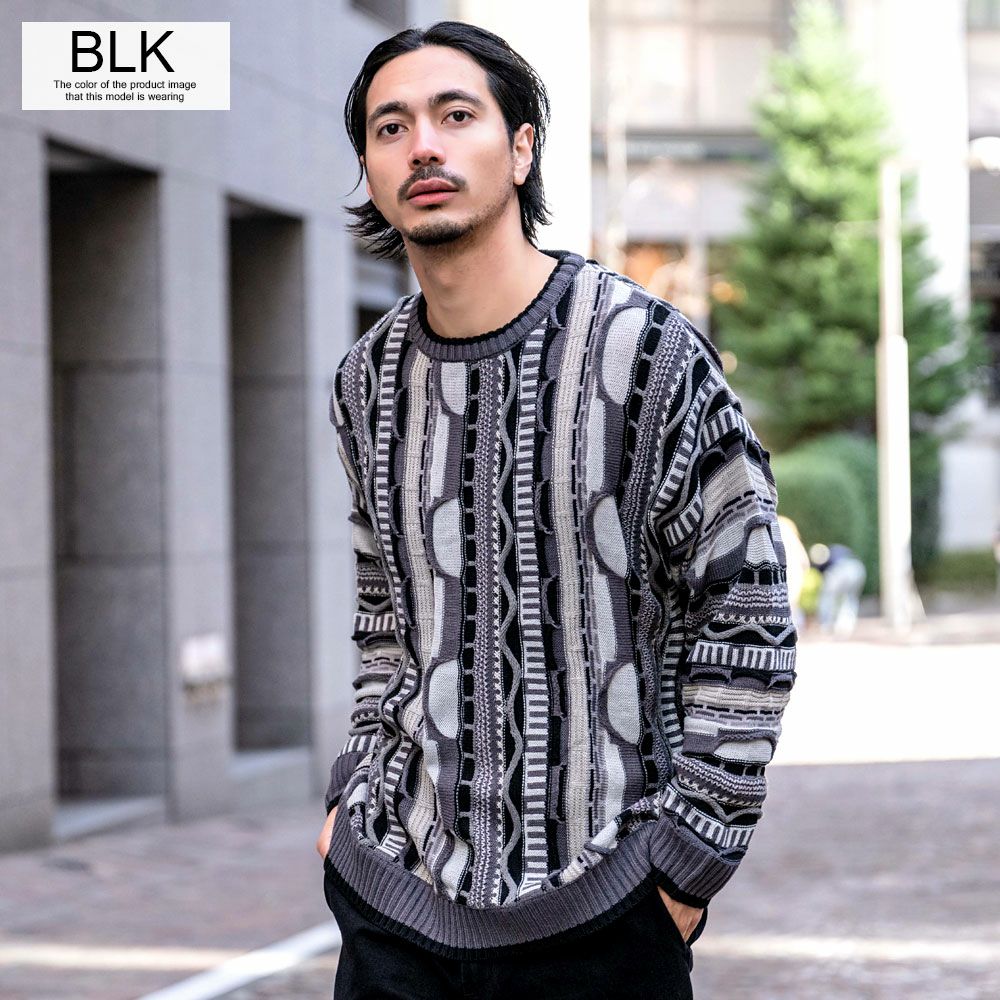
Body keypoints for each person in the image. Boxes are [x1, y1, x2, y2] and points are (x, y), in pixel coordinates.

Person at [315, 20, 798, 999]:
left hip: (604, 915)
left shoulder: (647, 353)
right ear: (369, 167)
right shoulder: (366, 381)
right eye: (391, 127)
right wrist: (350, 798)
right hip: (396, 909)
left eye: (457, 115)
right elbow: (386, 614)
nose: (424, 147)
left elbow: (744, 607)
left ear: (522, 146)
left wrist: (685, 862)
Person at [809, 542, 867, 637]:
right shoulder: (835, 549)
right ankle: (846, 626)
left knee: (827, 596)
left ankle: (826, 624)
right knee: (850, 598)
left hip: (841, 568)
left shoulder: (824, 560)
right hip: (858, 568)